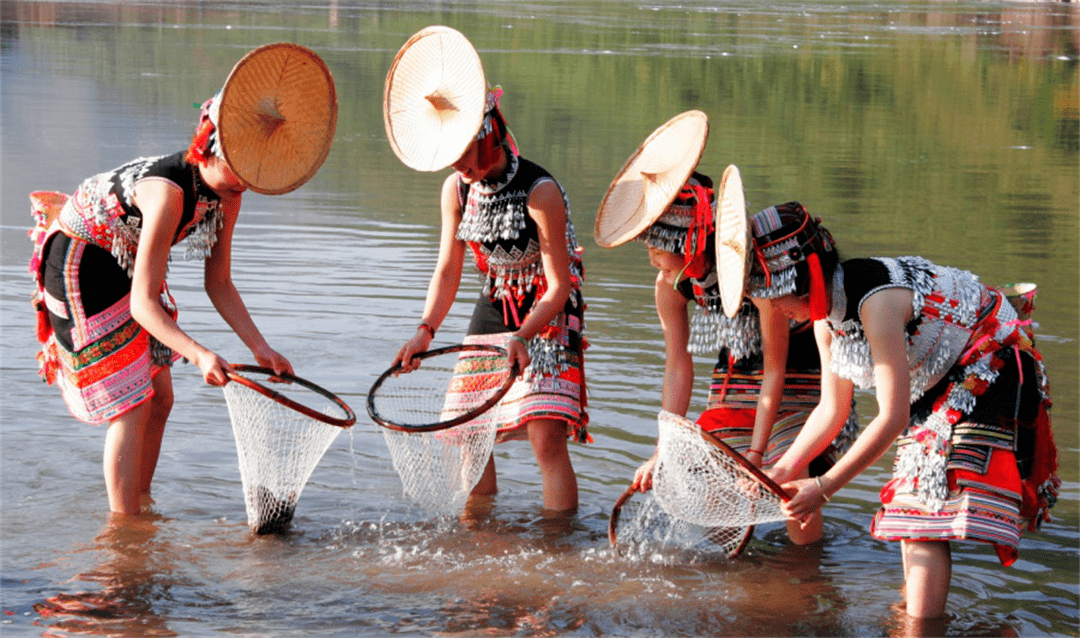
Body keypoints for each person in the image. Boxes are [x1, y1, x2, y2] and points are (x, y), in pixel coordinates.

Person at [27, 44, 338, 515]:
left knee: (161, 396)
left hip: (125, 257)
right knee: (131, 403)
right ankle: (125, 527)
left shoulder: (230, 193)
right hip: (81, 260)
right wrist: (198, 354)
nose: (246, 179)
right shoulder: (169, 191)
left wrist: (260, 347)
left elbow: (220, 283)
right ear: (209, 146)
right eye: (240, 162)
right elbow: (143, 306)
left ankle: (140, 500)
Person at [745, 203, 1060, 618]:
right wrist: (785, 468)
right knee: (912, 511)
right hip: (934, 378)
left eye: (775, 294)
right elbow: (831, 408)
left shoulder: (876, 302)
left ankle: (919, 624)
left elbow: (891, 418)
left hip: (986, 362)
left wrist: (823, 486)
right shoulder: (826, 320)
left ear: (803, 279)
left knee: (920, 516)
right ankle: (913, 614)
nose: (773, 307)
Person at [594, 115, 854, 546]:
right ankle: (734, 572)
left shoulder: (753, 273)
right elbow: (678, 365)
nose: (651, 258)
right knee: (706, 469)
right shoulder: (670, 285)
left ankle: (806, 569)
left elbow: (776, 369)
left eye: (656, 246)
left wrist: (755, 455)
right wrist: (666, 446)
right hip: (733, 379)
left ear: (687, 239)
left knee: (789, 469)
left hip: (797, 378)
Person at [385, 29, 588, 514]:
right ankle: (482, 537)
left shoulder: (540, 191)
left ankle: (558, 546)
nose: (458, 166)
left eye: (463, 154)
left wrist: (525, 334)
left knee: (545, 437)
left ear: (489, 135)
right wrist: (424, 331)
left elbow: (561, 284)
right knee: (466, 432)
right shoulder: (455, 191)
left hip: (548, 307)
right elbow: (448, 270)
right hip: (496, 298)